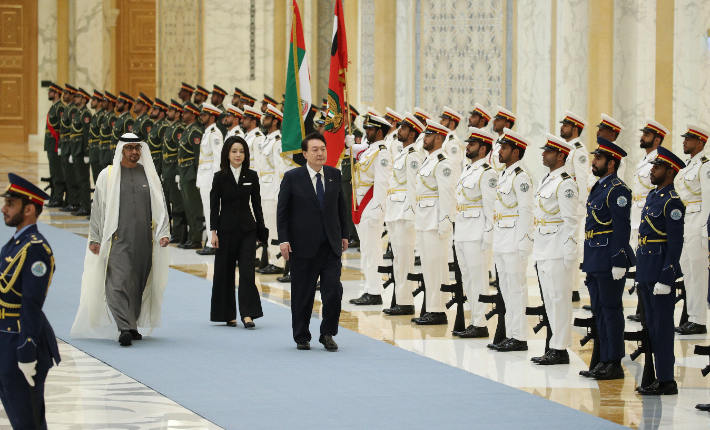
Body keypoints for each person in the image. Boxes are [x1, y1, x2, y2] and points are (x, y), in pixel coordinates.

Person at [72, 133, 170, 346]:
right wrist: (95, 238)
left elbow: (161, 206)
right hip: (118, 238)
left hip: (145, 239)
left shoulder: (149, 175)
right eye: (130, 148)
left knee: (137, 282)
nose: (134, 152)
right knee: (117, 282)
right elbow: (97, 209)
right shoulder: (107, 176)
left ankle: (131, 324)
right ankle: (123, 327)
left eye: (137, 148)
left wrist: (163, 232)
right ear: (121, 150)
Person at [277, 133, 349, 351]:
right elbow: (283, 211)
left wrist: (344, 234)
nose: (320, 153)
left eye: (323, 149)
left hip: (330, 245)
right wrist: (284, 240)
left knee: (333, 292)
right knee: (302, 294)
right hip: (302, 246)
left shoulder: (334, 175)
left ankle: (327, 333)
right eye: (315, 150)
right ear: (305, 153)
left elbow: (340, 209)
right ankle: (301, 335)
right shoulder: (292, 177)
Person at [0, 173, 60, 430]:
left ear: (29, 209)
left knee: (29, 423)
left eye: (10, 204)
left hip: (21, 342)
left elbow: (32, 304)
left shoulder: (35, 248)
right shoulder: (14, 244)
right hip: (5, 340)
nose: (4, 208)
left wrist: (27, 350)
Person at [580, 137, 635, 380]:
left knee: (612, 310)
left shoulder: (617, 189)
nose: (594, 161)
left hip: (608, 257)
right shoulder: (599, 186)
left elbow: (622, 227)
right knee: (599, 311)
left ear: (611, 164)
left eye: (599, 158)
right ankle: (603, 359)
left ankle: (614, 362)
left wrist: (618, 259)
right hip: (594, 255)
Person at [635, 146, 685, 395]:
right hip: (646, 268)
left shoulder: (672, 201)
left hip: (660, 271)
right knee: (651, 327)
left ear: (670, 171)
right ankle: (656, 376)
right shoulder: (653, 196)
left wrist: (668, 275)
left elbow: (675, 244)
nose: (652, 171)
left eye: (657, 167)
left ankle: (666, 380)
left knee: (662, 327)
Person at [530, 135, 579, 364]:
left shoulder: (565, 182)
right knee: (549, 299)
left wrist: (569, 252)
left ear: (560, 155)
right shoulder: (547, 179)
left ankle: (560, 349)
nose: (543, 154)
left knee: (559, 299)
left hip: (558, 249)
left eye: (547, 151)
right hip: (544, 247)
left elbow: (571, 221)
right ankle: (553, 346)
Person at [209, 136, 267, 328]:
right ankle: (227, 314)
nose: (238, 155)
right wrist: (213, 231)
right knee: (224, 273)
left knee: (247, 272)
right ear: (227, 153)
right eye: (234, 151)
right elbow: (213, 206)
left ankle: (248, 314)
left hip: (247, 230)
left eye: (241, 151)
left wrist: (261, 230)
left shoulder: (251, 176)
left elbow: (257, 205)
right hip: (225, 230)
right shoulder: (219, 177)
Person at [489, 128, 534, 351]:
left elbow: (526, 211)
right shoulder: (505, 175)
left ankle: (520, 337)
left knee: (516, 289)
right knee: (506, 290)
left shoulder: (521, 177)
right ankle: (511, 334)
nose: (500, 151)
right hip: (502, 239)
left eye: (504, 148)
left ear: (516, 152)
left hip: (515, 240)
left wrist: (525, 241)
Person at [451, 127, 497, 337]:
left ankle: (480, 323)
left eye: (471, 144)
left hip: (476, 233)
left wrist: (488, 237)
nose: (467, 146)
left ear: (483, 148)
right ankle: (474, 320)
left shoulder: (487, 174)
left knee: (478, 279)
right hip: (462, 232)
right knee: (468, 278)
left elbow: (491, 209)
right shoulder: (468, 170)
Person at [411, 119, 457, 325]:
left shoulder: (443, 163)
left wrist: (445, 224)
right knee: (428, 267)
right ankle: (431, 307)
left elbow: (448, 196)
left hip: (436, 223)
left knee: (437, 267)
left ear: (438, 138)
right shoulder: (428, 160)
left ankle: (438, 310)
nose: (425, 139)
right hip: (424, 221)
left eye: (428, 135)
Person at [381, 113, 424, 316]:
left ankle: (406, 301)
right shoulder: (403, 153)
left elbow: (413, 188)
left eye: (404, 128)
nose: (399, 130)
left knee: (404, 259)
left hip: (403, 214)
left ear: (412, 133)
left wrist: (410, 216)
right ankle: (400, 299)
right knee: (398, 259)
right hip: (394, 211)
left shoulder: (414, 155)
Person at [349, 114, 392, 306]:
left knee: (372, 251)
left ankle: (375, 292)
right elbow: (355, 154)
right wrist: (349, 145)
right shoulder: (369, 150)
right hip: (361, 205)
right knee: (366, 250)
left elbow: (382, 184)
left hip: (370, 206)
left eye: (370, 129)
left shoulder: (382, 152)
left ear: (379, 131)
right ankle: (369, 288)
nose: (367, 132)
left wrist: (378, 210)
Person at [676, 124, 710, 335]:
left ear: (700, 142)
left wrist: (706, 229)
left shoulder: (705, 166)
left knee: (697, 273)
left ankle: (699, 320)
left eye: (688, 139)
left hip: (698, 222)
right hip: (686, 223)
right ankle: (692, 317)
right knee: (688, 272)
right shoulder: (688, 166)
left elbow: (708, 199)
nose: (684, 141)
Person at [559, 110, 589, 303]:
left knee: (572, 244)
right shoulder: (567, 147)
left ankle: (574, 288)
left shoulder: (578, 149)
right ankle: (567, 284)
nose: (562, 127)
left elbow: (583, 178)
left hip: (573, 205)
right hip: (564, 203)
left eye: (566, 125)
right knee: (565, 244)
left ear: (575, 128)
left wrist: (580, 206)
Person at [257, 104, 285, 275]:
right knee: (267, 227)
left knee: (274, 227)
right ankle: (269, 259)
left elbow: (280, 169)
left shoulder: (278, 142)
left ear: (275, 121)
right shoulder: (266, 140)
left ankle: (279, 262)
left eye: (267, 117)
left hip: (272, 190)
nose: (263, 119)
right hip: (263, 188)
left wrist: (278, 193)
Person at [196, 103, 224, 256]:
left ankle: (213, 242)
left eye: (204, 115)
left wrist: (217, 180)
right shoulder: (207, 132)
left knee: (212, 210)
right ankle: (209, 241)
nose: (201, 117)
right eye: (201, 115)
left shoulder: (214, 133)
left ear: (212, 117)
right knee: (207, 210)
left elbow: (218, 157)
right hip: (204, 176)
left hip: (210, 178)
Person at [69, 88, 93, 216]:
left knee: (83, 179)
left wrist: (86, 153)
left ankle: (86, 206)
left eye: (78, 97)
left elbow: (86, 135)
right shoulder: (79, 113)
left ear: (84, 99)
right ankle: (82, 204)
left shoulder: (85, 114)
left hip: (81, 150)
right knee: (79, 179)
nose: (75, 98)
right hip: (76, 150)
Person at [44, 82, 67, 207]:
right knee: (53, 171)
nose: (48, 93)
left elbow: (61, 128)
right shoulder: (54, 107)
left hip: (55, 143)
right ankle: (54, 196)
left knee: (58, 172)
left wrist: (59, 145)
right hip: (50, 143)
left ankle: (58, 197)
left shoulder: (60, 108)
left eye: (50, 91)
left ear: (56, 93)